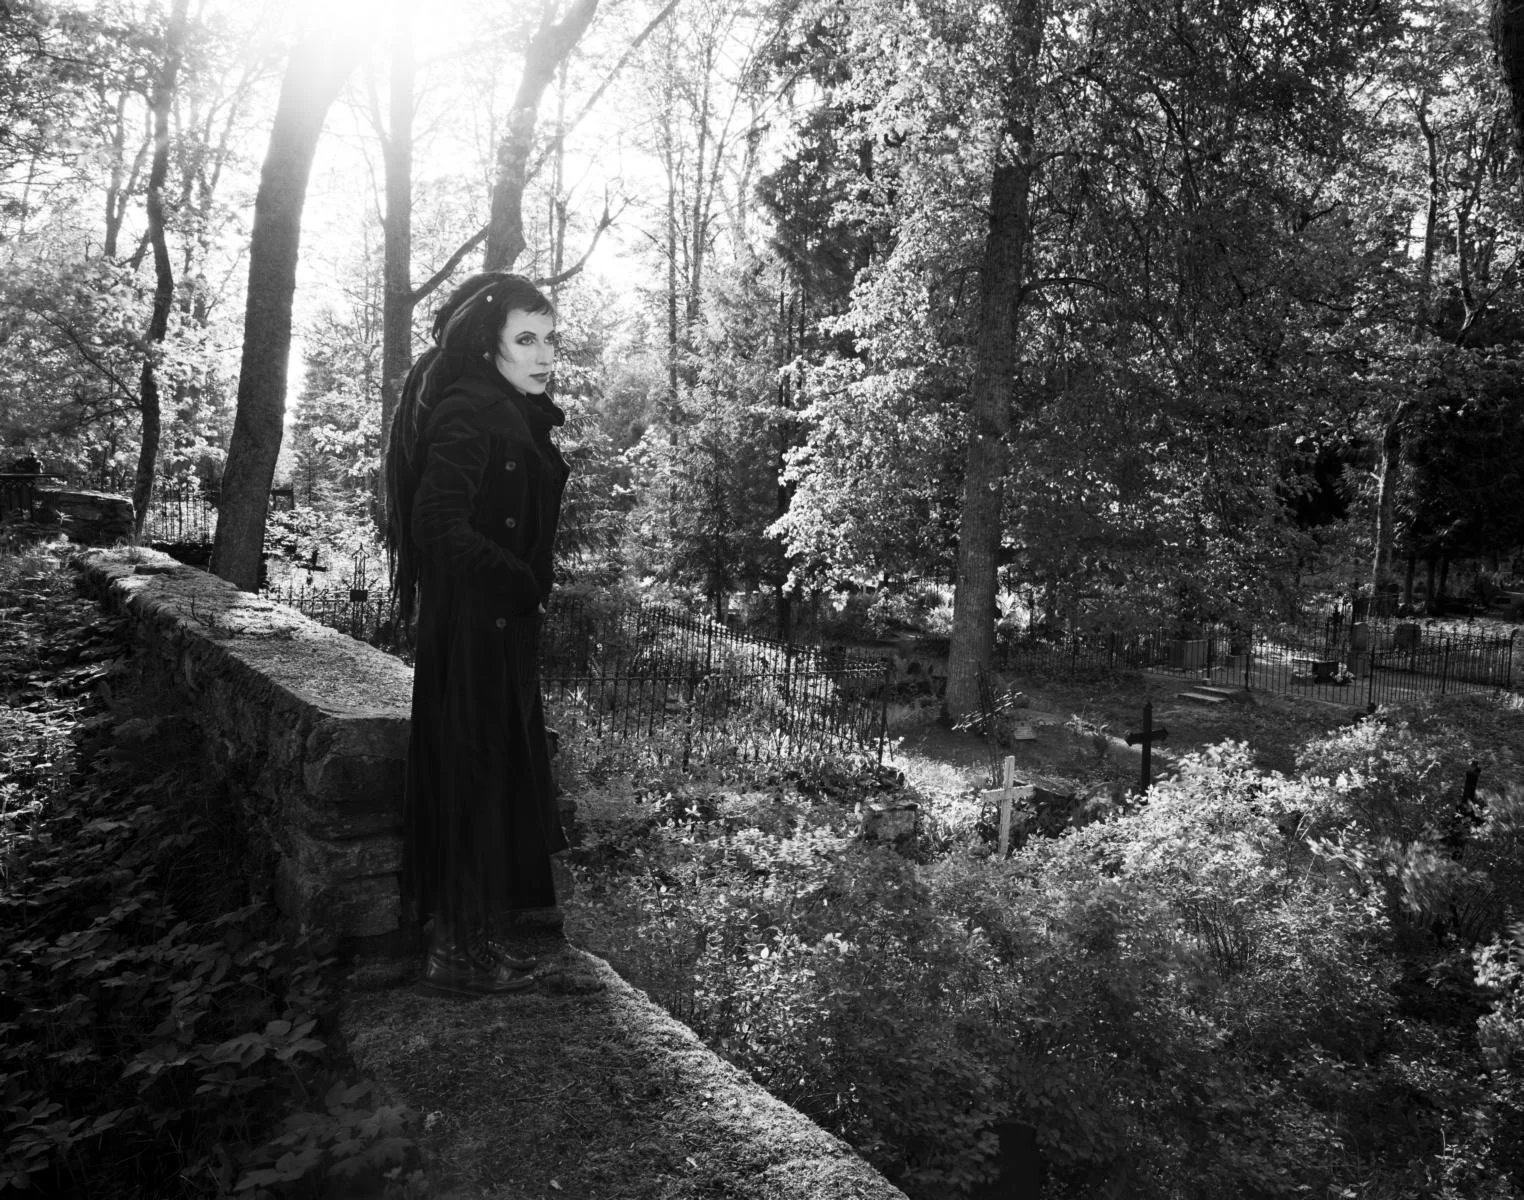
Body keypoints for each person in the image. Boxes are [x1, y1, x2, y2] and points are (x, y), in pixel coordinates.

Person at [385, 272, 570, 998]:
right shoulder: (473, 409)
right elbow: (436, 523)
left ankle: (471, 940)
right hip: (475, 625)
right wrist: (517, 582)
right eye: (525, 339)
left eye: (550, 338)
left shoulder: (503, 408)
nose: (544, 353)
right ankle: (457, 952)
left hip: (490, 627)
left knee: (487, 773)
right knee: (471, 772)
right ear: (487, 343)